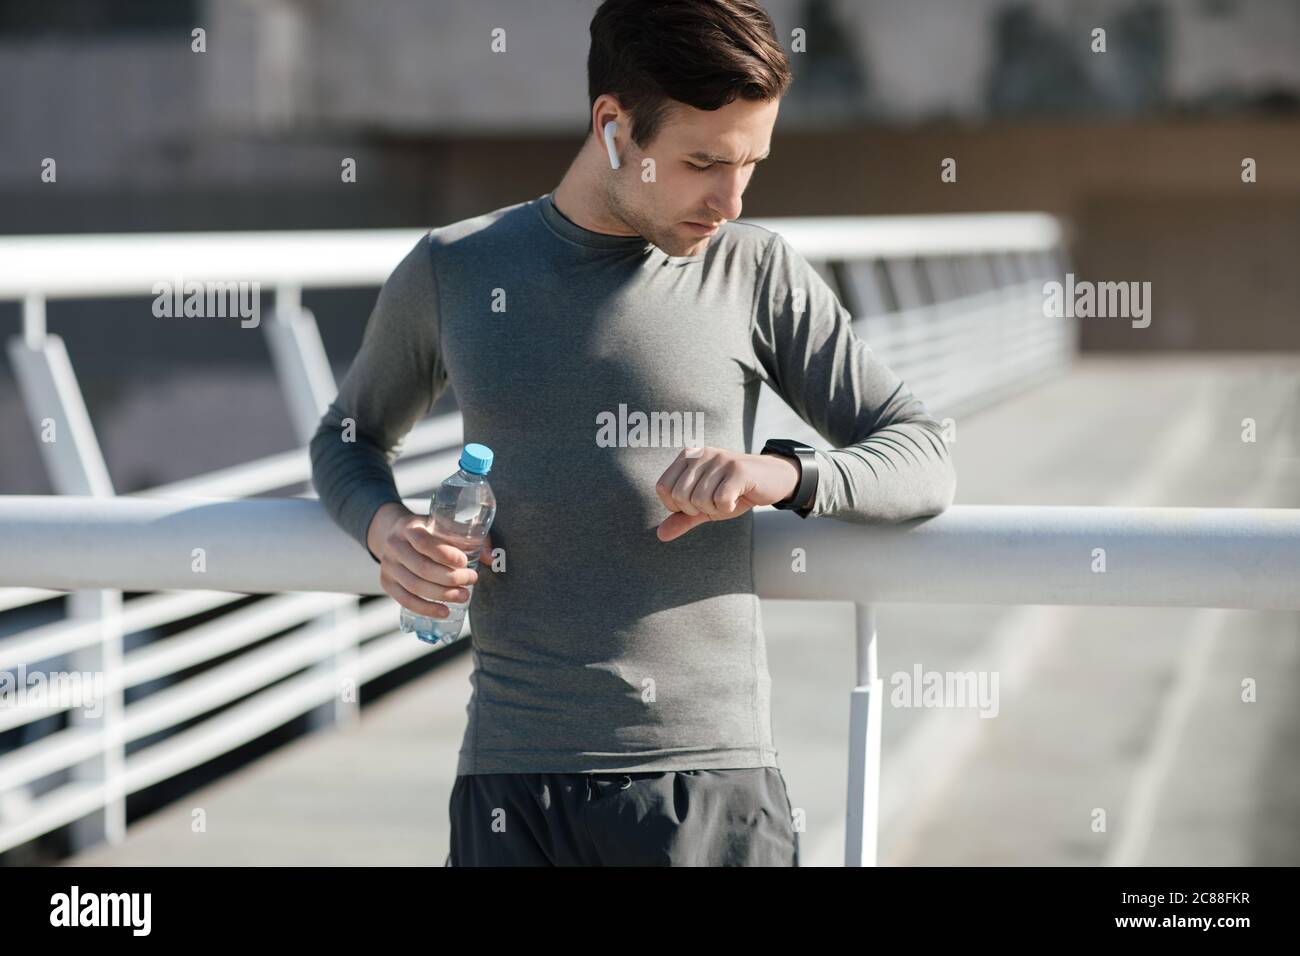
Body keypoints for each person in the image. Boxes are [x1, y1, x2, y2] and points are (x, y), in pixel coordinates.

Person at [309, 0, 956, 867]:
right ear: (613, 126)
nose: (730, 200)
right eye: (702, 163)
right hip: (510, 782)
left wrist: (783, 475)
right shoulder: (457, 269)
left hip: (707, 786)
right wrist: (393, 536)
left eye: (751, 164)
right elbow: (346, 440)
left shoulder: (753, 271)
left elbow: (923, 454)